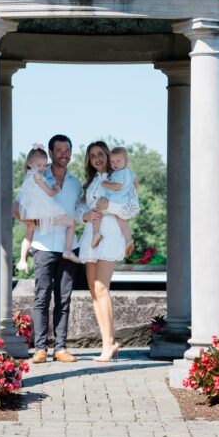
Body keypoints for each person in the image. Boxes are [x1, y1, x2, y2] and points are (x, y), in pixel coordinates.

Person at [23, 134, 82, 365]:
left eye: (67, 150)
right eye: (59, 150)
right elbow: (20, 209)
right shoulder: (37, 177)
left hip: (69, 246)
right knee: (42, 297)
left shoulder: (76, 183)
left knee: (64, 298)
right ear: (50, 153)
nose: (64, 154)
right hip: (43, 245)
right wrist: (34, 221)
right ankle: (40, 349)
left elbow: (79, 211)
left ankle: (61, 348)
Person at [77, 141, 138, 363]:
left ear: (108, 155)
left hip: (110, 235)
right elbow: (79, 210)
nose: (97, 158)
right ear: (89, 160)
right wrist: (85, 216)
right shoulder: (90, 182)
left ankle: (109, 343)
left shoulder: (121, 179)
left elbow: (132, 209)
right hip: (90, 237)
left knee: (102, 288)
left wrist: (107, 207)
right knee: (94, 291)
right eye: (92, 156)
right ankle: (108, 342)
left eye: (101, 154)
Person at [15, 145, 82, 267]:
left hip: (34, 214)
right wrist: (55, 189)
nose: (42, 168)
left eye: (44, 165)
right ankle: (68, 250)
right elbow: (49, 192)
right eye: (39, 165)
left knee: (29, 234)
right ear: (29, 163)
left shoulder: (28, 178)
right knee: (71, 222)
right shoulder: (38, 177)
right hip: (43, 216)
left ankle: (22, 259)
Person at [95, 145, 137, 259]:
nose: (115, 163)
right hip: (125, 205)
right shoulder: (130, 173)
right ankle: (128, 241)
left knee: (98, 209)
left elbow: (117, 186)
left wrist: (106, 184)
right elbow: (135, 184)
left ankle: (96, 234)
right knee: (122, 222)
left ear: (125, 161)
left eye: (118, 161)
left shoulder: (118, 173)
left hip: (115, 202)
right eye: (112, 161)